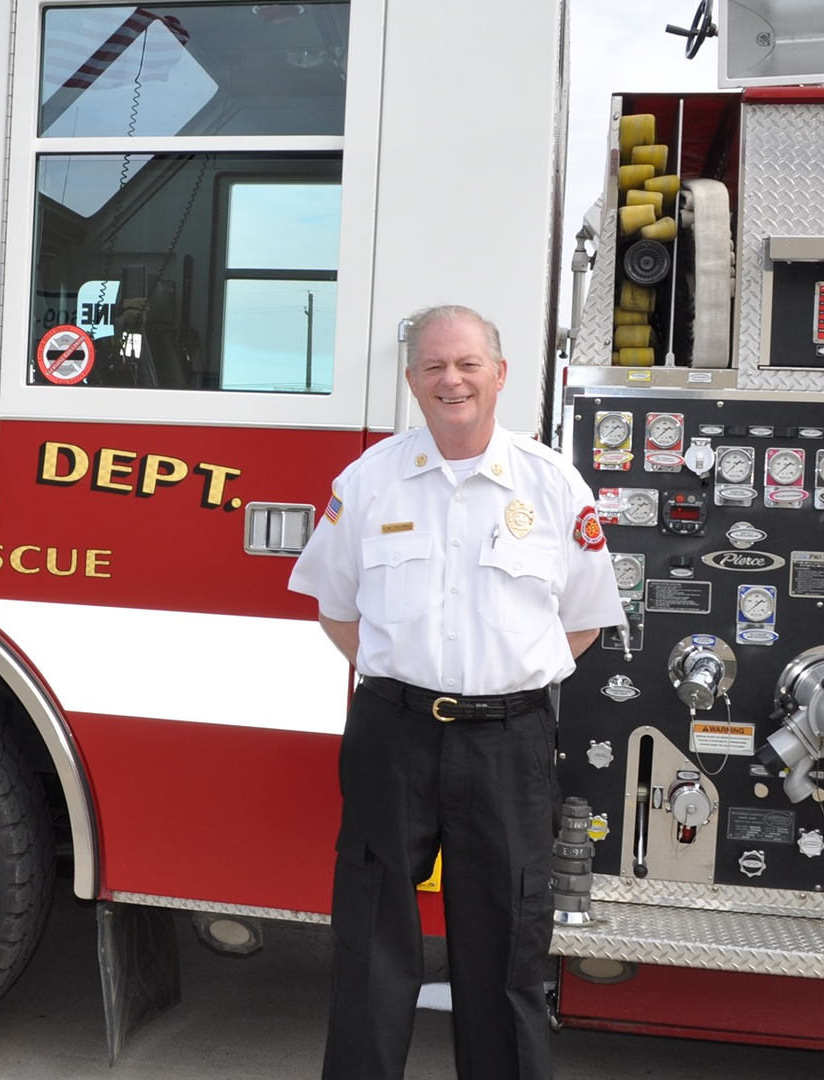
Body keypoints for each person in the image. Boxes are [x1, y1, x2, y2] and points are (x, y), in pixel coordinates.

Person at [288, 305, 625, 1080]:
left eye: (468, 364)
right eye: (434, 366)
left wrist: (500, 683)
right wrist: (406, 675)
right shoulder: (369, 481)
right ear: (412, 382)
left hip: (507, 745)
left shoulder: (550, 484)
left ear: (500, 375)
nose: (452, 380)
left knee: (505, 954)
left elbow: (580, 624)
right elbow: (336, 608)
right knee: (370, 949)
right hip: (393, 734)